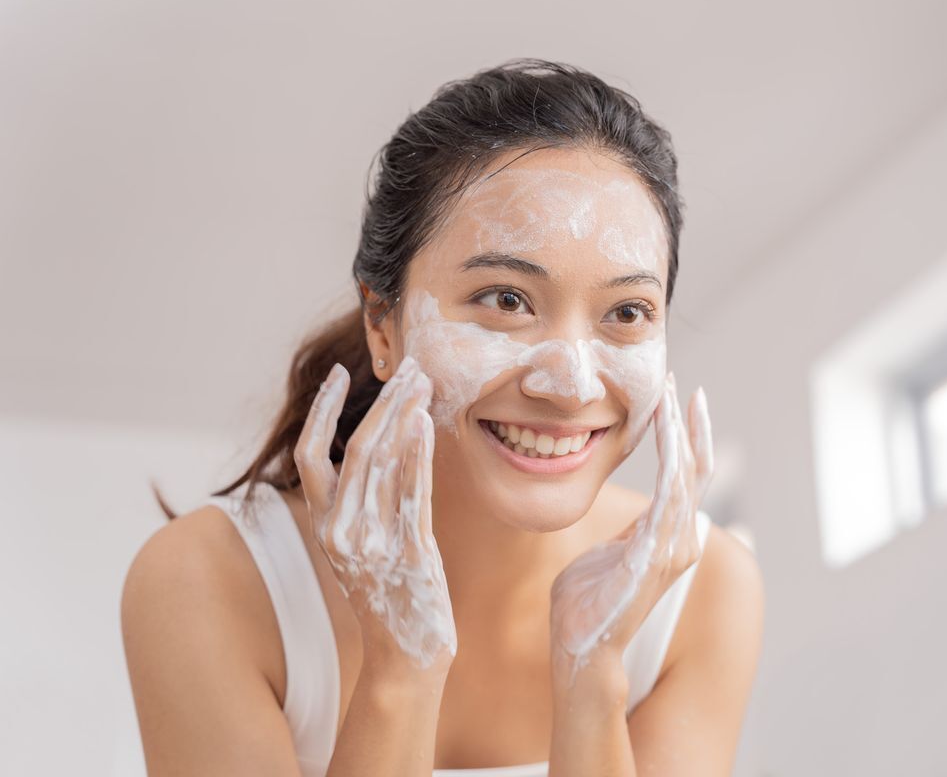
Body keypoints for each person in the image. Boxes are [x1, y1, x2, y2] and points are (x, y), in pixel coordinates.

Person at [121, 58, 764, 776]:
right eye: (505, 299)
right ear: (383, 328)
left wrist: (593, 681)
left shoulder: (706, 591)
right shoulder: (209, 583)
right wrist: (400, 669)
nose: (570, 384)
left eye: (626, 312)